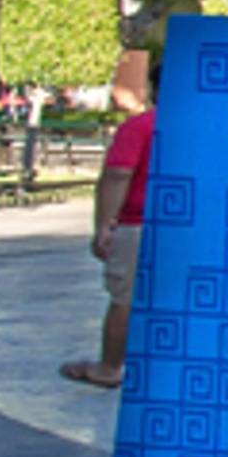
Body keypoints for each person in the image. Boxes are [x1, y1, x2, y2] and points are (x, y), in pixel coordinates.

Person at [65, 52, 155, 389]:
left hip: (137, 223)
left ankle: (110, 366)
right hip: (192, 229)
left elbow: (118, 174)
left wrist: (104, 224)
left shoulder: (141, 127)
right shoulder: (208, 130)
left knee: (125, 299)